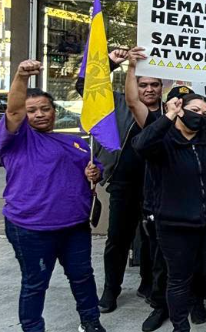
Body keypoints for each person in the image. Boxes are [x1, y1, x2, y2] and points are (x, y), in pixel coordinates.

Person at [126, 47, 206, 332]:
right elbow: (141, 145)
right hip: (173, 223)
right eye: (194, 110)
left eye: (204, 111)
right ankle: (180, 327)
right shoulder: (162, 140)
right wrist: (167, 116)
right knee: (178, 278)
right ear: (179, 110)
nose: (200, 115)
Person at [0, 60, 106, 332]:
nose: (40, 114)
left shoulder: (74, 141)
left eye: (45, 108)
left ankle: (91, 322)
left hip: (75, 227)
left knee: (82, 277)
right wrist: (21, 76)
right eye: (31, 110)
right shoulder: (16, 140)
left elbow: (92, 165)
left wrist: (95, 171)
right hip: (31, 229)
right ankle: (33, 328)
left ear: (54, 111)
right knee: (35, 283)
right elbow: (13, 110)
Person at [75, 47, 155, 316]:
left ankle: (148, 285)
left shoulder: (171, 110)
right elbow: (85, 87)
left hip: (158, 188)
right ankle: (111, 290)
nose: (149, 89)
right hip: (123, 184)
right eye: (143, 84)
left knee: (153, 239)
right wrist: (110, 63)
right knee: (118, 240)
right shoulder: (118, 102)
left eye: (155, 84)